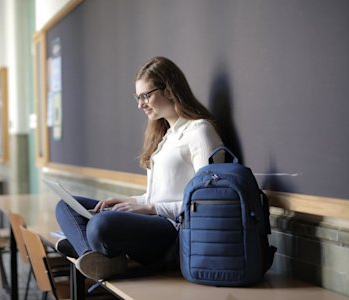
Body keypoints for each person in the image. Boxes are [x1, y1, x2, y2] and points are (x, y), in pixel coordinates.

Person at [55, 56, 224, 280]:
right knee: (65, 205)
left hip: (176, 230)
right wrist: (131, 201)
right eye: (138, 97)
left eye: (146, 95)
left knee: (101, 224)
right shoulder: (165, 136)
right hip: (155, 219)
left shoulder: (199, 131)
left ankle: (90, 247)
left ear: (170, 90)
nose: (140, 104)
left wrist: (152, 209)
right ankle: (94, 257)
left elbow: (209, 201)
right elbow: (157, 196)